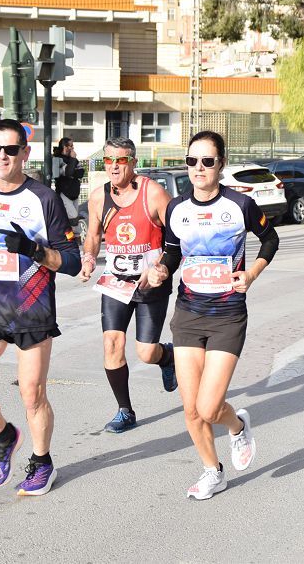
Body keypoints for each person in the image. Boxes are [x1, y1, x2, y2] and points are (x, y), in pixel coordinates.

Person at [0, 119, 81, 496]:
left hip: (32, 310)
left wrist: (34, 250)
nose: (2, 157)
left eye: (11, 149)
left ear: (25, 153)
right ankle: (5, 435)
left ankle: (42, 463)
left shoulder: (44, 199)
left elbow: (71, 262)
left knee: (32, 395)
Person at [147, 130, 279, 499]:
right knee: (190, 410)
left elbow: (271, 239)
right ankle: (212, 471)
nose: (199, 168)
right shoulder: (176, 209)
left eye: (207, 161)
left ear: (221, 165)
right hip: (188, 313)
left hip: (227, 316)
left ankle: (237, 426)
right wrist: (161, 269)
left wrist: (251, 273)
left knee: (208, 407)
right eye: (192, 161)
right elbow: (172, 252)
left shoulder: (239, 205)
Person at [79, 137, 178, 433]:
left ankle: (166, 356)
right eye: (107, 160)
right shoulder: (98, 197)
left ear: (133, 162)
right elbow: (94, 236)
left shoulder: (154, 193)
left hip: (151, 283)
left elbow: (176, 239)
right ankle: (125, 410)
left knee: (146, 352)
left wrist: (161, 267)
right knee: (112, 344)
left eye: (120, 160)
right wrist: (88, 258)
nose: (113, 167)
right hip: (116, 282)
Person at [51, 137, 84, 228]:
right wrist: (72, 161)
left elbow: (81, 172)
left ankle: (75, 238)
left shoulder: (74, 160)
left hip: (75, 193)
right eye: (71, 146)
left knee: (74, 220)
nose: (73, 148)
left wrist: (72, 171)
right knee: (73, 217)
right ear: (65, 147)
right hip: (64, 193)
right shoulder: (57, 159)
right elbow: (68, 172)